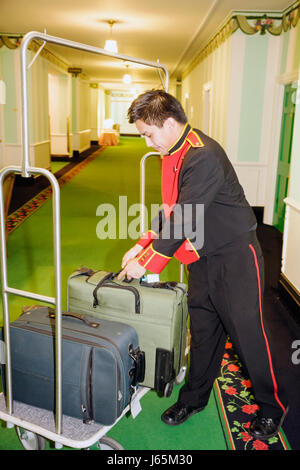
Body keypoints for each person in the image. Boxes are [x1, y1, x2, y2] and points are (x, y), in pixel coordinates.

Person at [117, 89, 288, 440]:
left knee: (247, 336)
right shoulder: (172, 153)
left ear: (168, 123)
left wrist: (145, 262)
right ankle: (193, 400)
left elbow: (185, 218)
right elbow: (172, 213)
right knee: (205, 332)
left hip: (235, 256)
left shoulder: (202, 154)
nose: (148, 143)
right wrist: (142, 242)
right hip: (201, 256)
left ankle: (273, 408)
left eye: (149, 134)